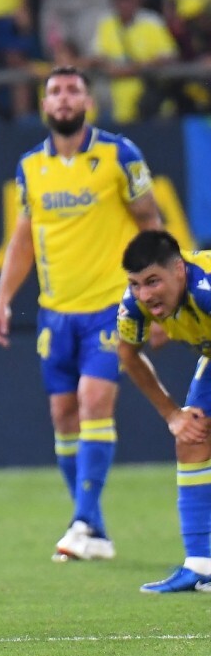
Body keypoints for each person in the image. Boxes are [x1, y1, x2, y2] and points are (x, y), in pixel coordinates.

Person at [0, 65, 163, 563]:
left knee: (92, 400)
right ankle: (95, 527)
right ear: (45, 105)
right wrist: (3, 298)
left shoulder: (117, 154)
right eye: (56, 91)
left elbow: (149, 220)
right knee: (62, 414)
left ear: (88, 101)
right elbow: (24, 236)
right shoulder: (30, 168)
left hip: (111, 305)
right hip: (55, 312)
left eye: (73, 90)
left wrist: (161, 297)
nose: (64, 99)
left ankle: (82, 522)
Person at [117, 230, 211, 593]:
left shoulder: (205, 290)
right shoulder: (135, 304)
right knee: (192, 434)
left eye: (153, 281)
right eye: (136, 284)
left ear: (179, 270)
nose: (145, 294)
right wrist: (173, 415)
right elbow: (127, 354)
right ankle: (201, 564)